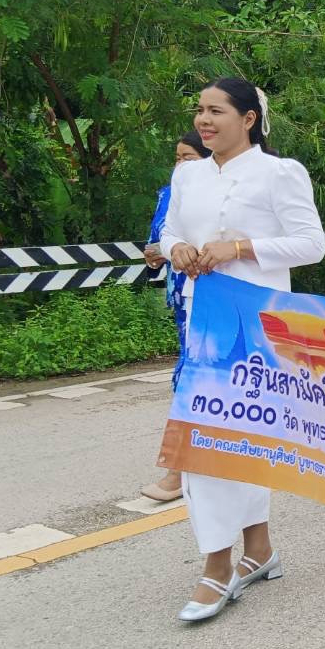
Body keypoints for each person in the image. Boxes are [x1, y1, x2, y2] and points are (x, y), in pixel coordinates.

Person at [159, 77, 325, 621]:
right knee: (203, 440)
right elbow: (167, 233)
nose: (204, 120)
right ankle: (222, 562)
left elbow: (312, 243)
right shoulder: (187, 174)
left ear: (249, 118)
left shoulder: (281, 173)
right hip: (202, 321)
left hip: (261, 323)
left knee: (248, 437)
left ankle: (250, 554)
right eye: (200, 111)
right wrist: (177, 247)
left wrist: (242, 247)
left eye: (216, 111)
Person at [140, 130, 212, 504]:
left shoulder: (231, 188)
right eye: (177, 156)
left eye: (188, 157)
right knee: (191, 376)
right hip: (186, 294)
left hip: (224, 293)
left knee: (204, 378)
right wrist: (163, 250)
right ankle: (181, 467)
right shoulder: (172, 193)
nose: (180, 164)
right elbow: (158, 242)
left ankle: (182, 467)